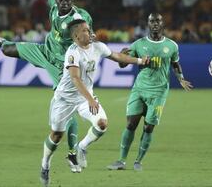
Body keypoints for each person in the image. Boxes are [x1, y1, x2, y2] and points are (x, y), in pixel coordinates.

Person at [0, 0, 91, 172]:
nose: (63, 2)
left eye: (68, 0)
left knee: (67, 108)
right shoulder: (55, 6)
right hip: (44, 51)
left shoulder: (80, 19)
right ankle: (2, 42)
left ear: (73, 2)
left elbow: (88, 38)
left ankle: (73, 154)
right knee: (8, 50)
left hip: (61, 64)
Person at [39, 19, 149, 186]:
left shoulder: (98, 47)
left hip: (85, 98)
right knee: (56, 136)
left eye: (89, 29)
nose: (89, 32)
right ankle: (45, 165)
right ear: (76, 36)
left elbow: (117, 56)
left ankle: (81, 147)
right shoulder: (73, 52)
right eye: (84, 30)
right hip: (64, 100)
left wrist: (140, 61)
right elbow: (75, 78)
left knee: (102, 124)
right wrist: (90, 99)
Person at [107, 13, 193, 171]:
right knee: (131, 124)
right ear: (148, 24)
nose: (155, 24)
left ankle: (138, 161)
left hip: (159, 92)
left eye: (158, 21)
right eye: (152, 21)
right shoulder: (139, 44)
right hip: (139, 89)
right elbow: (122, 65)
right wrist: (123, 55)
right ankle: (121, 160)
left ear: (162, 24)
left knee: (148, 127)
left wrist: (181, 78)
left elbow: (175, 63)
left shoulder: (172, 45)